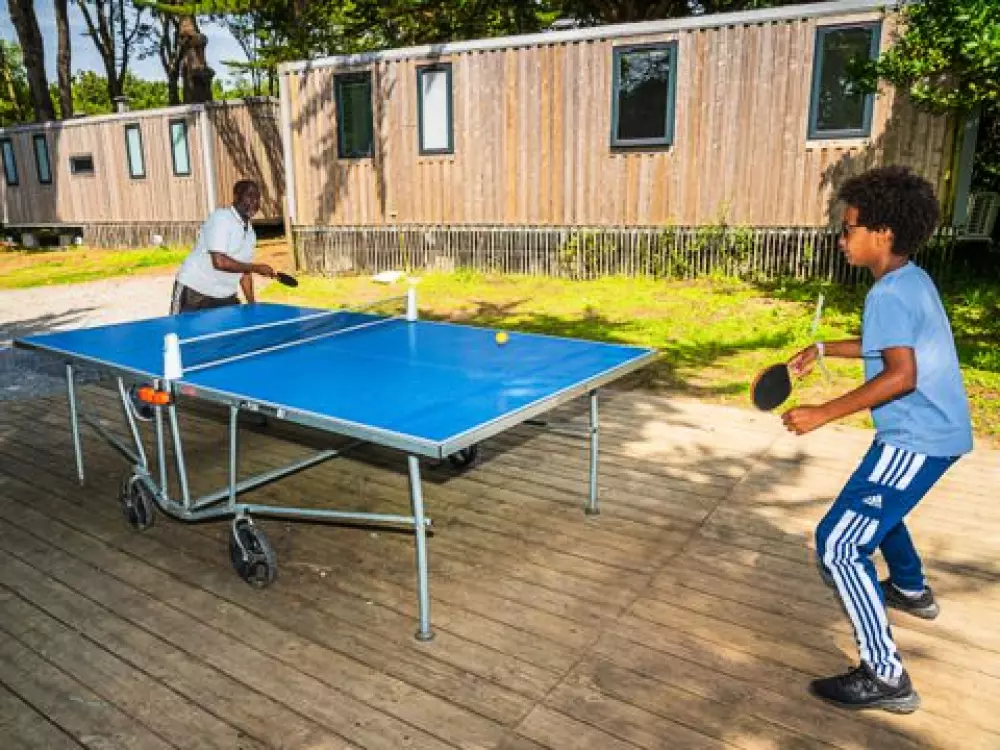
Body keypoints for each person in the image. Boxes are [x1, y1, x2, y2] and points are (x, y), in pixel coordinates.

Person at [782, 166, 973, 714]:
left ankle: (886, 675)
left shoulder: (888, 292)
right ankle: (911, 588)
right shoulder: (911, 279)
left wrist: (823, 412)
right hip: (935, 433)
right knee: (881, 508)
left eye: (849, 229)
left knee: (839, 544)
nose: (842, 239)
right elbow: (888, 342)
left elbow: (901, 374)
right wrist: (823, 349)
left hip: (916, 437)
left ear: (882, 233)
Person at [170, 180, 275, 314]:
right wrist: (257, 268)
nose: (255, 201)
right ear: (236, 197)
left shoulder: (250, 233)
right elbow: (219, 262)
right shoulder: (221, 218)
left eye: (257, 197)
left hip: (224, 295)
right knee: (180, 327)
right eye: (249, 196)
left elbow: (245, 273)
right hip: (195, 290)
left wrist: (251, 304)